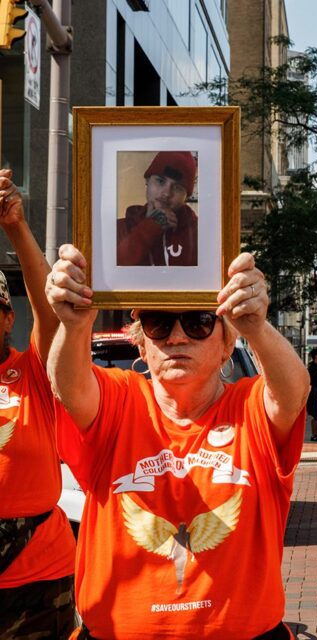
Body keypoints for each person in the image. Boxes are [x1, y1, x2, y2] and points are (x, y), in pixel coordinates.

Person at [46, 244, 309, 638]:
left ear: (225, 345)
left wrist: (256, 325)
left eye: (199, 322)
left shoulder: (249, 406)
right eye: (159, 324)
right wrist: (73, 325)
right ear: (141, 343)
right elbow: (67, 385)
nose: (177, 337)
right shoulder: (120, 399)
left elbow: (292, 393)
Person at [0, 169, 76, 637]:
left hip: (38, 576)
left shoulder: (30, 372)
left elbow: (49, 311)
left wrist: (15, 226)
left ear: (7, 316)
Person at [117, 150, 198, 266]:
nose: (166, 193)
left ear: (187, 196)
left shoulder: (200, 234)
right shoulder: (119, 229)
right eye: (160, 181)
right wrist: (150, 227)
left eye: (178, 187)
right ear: (147, 181)